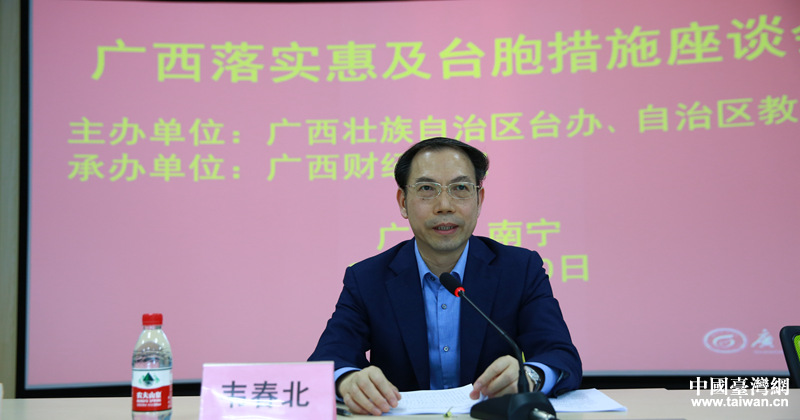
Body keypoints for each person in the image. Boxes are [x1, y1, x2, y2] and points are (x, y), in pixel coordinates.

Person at [308, 137, 581, 415]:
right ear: (403, 202)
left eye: (460, 188)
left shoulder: (520, 269)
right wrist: (348, 381)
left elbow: (560, 355)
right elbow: (327, 358)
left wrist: (530, 377)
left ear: (479, 200)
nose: (444, 205)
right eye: (427, 189)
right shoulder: (367, 278)